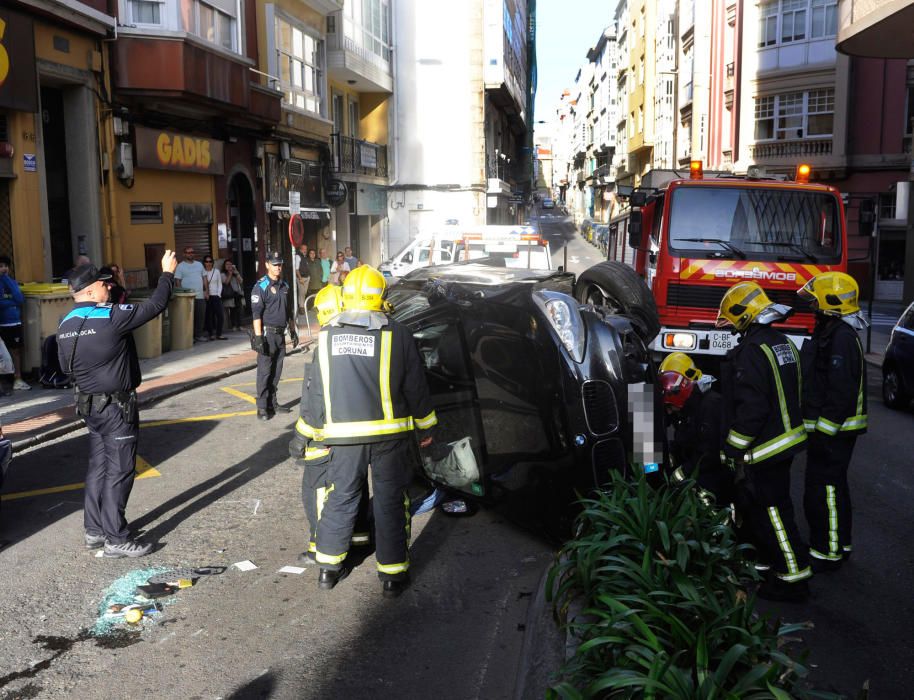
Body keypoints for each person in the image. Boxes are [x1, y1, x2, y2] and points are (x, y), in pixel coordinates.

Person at [300, 265, 437, 598]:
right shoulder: (398, 333)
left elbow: (316, 391)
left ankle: (328, 570)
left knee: (341, 496)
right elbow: (415, 386)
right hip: (390, 437)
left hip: (343, 437)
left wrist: (311, 433)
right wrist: (426, 426)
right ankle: (392, 576)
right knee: (390, 502)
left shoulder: (328, 335)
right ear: (381, 297)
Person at [56, 254, 177, 557]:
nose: (109, 289)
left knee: (98, 467)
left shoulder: (65, 323)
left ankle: (94, 530)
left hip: (89, 406)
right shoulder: (110, 315)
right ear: (90, 290)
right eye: (104, 285)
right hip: (116, 409)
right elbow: (156, 305)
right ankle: (116, 538)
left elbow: (62, 367)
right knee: (120, 470)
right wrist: (166, 274)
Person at [717, 281, 811, 602]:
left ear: (745, 314)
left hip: (767, 448)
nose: (729, 326)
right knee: (772, 508)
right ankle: (776, 564)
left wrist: (731, 448)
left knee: (774, 512)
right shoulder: (782, 343)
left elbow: (752, 411)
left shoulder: (750, 354)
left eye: (732, 318)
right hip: (787, 441)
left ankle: (793, 577)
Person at [289, 284, 371, 563]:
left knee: (315, 490)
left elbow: (315, 401)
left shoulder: (325, 345)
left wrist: (301, 438)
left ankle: (318, 546)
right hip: (357, 434)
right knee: (354, 485)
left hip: (324, 438)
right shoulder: (362, 338)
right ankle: (360, 538)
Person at [797, 272, 868, 573]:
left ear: (830, 302)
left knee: (824, 489)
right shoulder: (831, 330)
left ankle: (828, 551)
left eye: (815, 300)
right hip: (832, 430)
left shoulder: (840, 337)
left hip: (835, 432)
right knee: (833, 487)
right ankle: (841, 543)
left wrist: (824, 432)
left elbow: (840, 392)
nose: (811, 305)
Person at [659, 352, 732, 507]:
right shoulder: (690, 406)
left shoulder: (710, 406)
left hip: (716, 473)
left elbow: (708, 452)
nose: (670, 412)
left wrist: (683, 472)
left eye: (670, 407)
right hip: (703, 465)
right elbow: (686, 438)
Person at [251, 251, 298, 420]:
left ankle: (272, 403)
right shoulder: (261, 286)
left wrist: (292, 331)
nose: (278, 267)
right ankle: (262, 407)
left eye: (280, 264)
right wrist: (258, 338)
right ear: (267, 265)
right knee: (264, 372)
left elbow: (289, 311)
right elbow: (256, 314)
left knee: (276, 372)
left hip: (280, 335)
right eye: (275, 264)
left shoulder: (285, 286)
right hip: (267, 334)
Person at [0, 255, 28, 391]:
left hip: (14, 322)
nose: (4, 269)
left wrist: (6, 279)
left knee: (16, 351)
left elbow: (20, 298)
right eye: (0, 266)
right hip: (3, 323)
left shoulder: (11, 282)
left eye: (5, 266)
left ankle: (18, 378)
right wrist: (11, 301)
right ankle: (5, 380)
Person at [175, 247, 207, 342]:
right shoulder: (180, 266)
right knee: (188, 318)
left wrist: (206, 291)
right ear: (184, 254)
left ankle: (198, 335)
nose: (190, 254)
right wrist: (181, 295)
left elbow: (204, 278)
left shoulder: (199, 265)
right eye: (188, 252)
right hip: (187, 297)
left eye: (192, 252)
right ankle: (190, 337)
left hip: (200, 295)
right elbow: (178, 281)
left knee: (200, 316)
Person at [202, 255, 226, 340]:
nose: (208, 263)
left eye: (210, 261)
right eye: (206, 261)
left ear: (212, 263)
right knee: (209, 316)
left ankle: (219, 334)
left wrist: (219, 294)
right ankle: (211, 334)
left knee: (220, 315)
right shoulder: (202, 272)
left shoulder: (216, 271)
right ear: (204, 263)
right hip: (207, 296)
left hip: (216, 296)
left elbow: (219, 283)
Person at [221, 260, 244, 332]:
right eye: (227, 264)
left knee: (239, 310)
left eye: (230, 264)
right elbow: (226, 282)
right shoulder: (223, 274)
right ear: (224, 266)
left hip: (237, 294)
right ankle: (234, 326)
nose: (229, 266)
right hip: (230, 295)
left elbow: (241, 281)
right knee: (232, 311)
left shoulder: (235, 273)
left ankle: (240, 325)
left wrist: (236, 272)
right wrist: (230, 274)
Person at [294, 244, 310, 315]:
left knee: (304, 293)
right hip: (301, 278)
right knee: (301, 293)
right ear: (300, 249)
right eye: (304, 249)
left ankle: (302, 306)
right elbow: (296, 269)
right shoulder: (298, 256)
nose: (305, 250)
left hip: (307, 277)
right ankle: (301, 307)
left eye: (306, 249)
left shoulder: (304, 257)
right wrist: (300, 278)